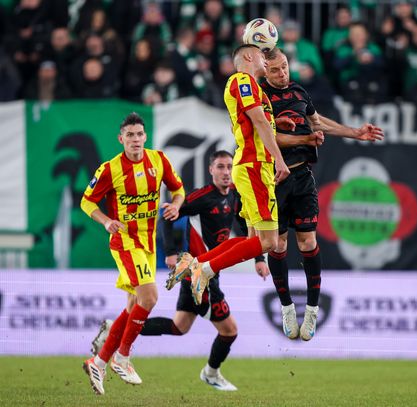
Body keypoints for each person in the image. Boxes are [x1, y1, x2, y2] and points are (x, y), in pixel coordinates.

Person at [91, 151, 269, 391]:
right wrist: (171, 251)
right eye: (220, 167)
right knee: (230, 331)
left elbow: (245, 229)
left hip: (208, 271)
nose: (226, 172)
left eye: (229, 167)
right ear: (211, 170)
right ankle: (211, 373)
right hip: (199, 275)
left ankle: (115, 329)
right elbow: (166, 217)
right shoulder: (202, 197)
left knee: (179, 327)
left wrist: (259, 258)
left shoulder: (234, 196)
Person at [261, 47, 384, 341]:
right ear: (264, 72)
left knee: (308, 242)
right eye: (275, 70)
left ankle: (312, 310)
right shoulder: (259, 96)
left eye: (285, 66)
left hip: (302, 176)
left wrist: (354, 132)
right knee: (277, 245)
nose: (282, 73)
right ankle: (287, 307)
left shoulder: (299, 91)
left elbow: (317, 123)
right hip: (273, 179)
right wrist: (304, 137)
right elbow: (266, 135)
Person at [165, 44, 290, 305]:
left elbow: (258, 121)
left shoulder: (253, 87)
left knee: (253, 240)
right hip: (255, 166)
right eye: (262, 56)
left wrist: (276, 123)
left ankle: (197, 263)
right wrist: (279, 159)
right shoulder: (243, 80)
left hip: (253, 166)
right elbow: (258, 121)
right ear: (248, 56)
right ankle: (204, 270)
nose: (266, 61)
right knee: (270, 242)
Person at [80, 112, 185, 396]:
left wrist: (176, 205)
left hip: (148, 243)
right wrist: (106, 221)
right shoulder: (110, 169)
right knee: (149, 297)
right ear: (121, 139)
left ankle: (98, 362)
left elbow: (179, 189)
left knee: (133, 306)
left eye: (139, 134)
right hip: (125, 241)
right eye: (130, 135)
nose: (135, 139)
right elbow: (87, 202)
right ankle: (122, 357)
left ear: (145, 136)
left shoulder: (158, 160)